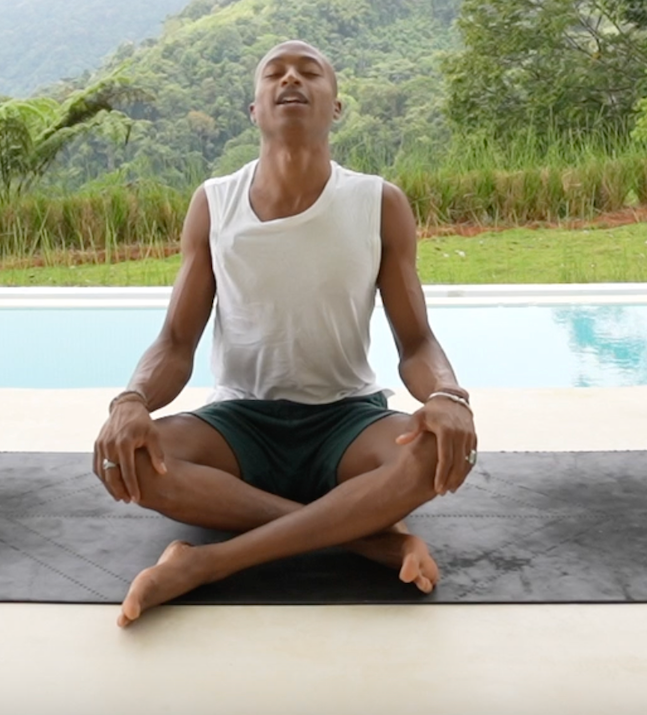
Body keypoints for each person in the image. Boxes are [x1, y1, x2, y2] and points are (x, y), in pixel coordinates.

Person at [93, 40, 478, 626]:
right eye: (275, 73)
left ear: (336, 105)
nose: (290, 79)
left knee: (434, 451)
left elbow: (417, 342)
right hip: (240, 422)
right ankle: (364, 538)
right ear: (255, 109)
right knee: (130, 460)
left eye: (308, 72)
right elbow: (175, 342)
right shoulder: (214, 203)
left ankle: (210, 562)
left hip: (349, 419)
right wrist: (130, 401)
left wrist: (448, 398)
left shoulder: (379, 203)